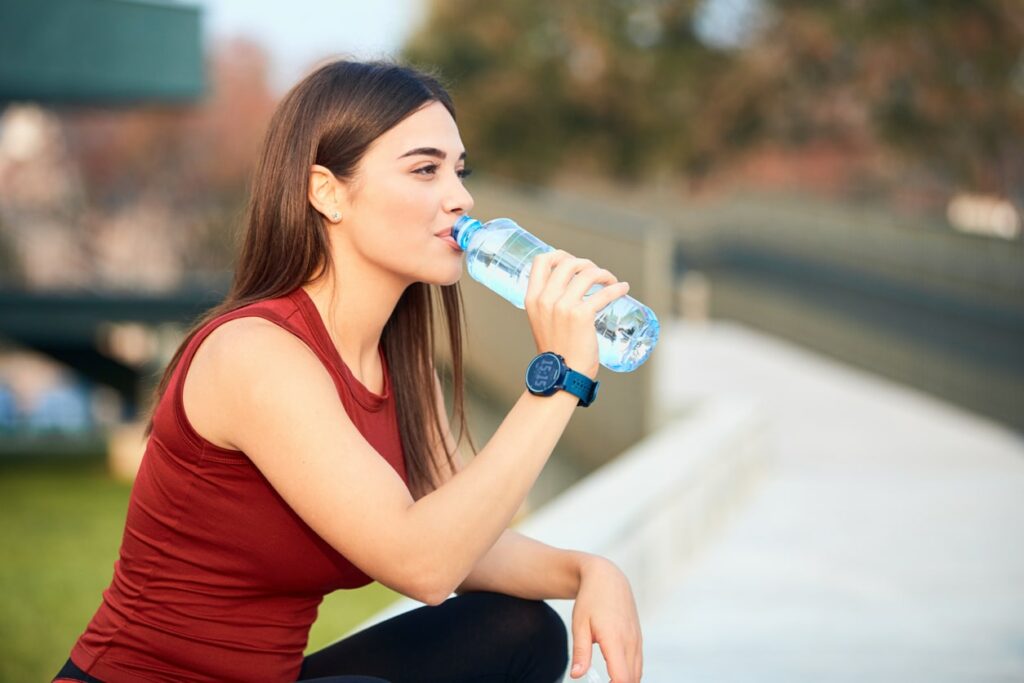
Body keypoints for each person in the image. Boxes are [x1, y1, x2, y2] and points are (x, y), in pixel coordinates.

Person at [54, 59, 643, 683]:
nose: (460, 197)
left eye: (458, 170)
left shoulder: (399, 364)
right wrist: (559, 380)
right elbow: (424, 564)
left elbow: (461, 537)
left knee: (521, 632)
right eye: (425, 169)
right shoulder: (255, 353)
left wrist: (587, 572)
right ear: (326, 192)